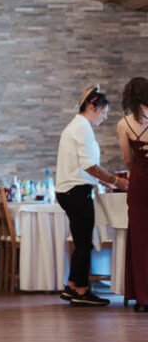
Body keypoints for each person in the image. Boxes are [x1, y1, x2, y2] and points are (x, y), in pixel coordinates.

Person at [56, 86, 128, 307]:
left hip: (69, 191)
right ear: (91, 107)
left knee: (81, 242)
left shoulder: (77, 126)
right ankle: (81, 290)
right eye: (103, 112)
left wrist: (108, 182)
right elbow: (89, 166)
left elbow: (86, 166)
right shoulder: (82, 128)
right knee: (84, 243)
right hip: (76, 191)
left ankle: (72, 286)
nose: (104, 117)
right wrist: (117, 182)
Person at [118, 77, 148, 312]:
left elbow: (127, 159)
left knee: (139, 237)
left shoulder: (124, 124)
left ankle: (142, 297)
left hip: (139, 180)